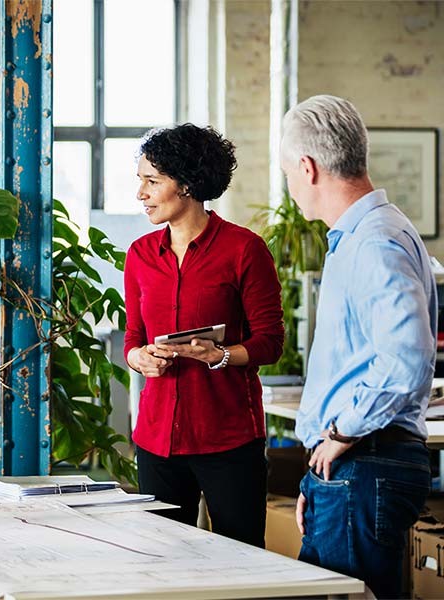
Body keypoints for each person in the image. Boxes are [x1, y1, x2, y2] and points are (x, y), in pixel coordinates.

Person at [283, 95, 435, 598]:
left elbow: (406, 357)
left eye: (288, 173)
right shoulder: (363, 236)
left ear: (307, 168)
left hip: (364, 461)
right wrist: (318, 475)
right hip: (349, 467)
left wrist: (344, 432)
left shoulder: (374, 241)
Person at [124, 124, 284, 548]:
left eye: (152, 181)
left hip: (227, 437)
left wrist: (221, 356)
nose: (141, 193)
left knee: (242, 558)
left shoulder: (245, 250)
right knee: (161, 560)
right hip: (157, 439)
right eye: (140, 180)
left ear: (188, 185)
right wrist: (137, 357)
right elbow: (133, 336)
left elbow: (270, 342)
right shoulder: (139, 255)